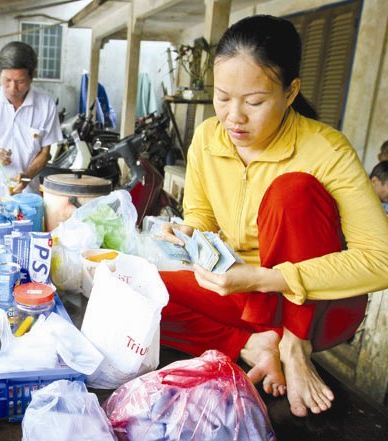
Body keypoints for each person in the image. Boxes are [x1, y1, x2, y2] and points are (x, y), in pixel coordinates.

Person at [159, 15, 388, 418]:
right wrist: (190, 232)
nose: (234, 117)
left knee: (291, 192)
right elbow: (200, 213)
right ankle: (254, 345)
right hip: (245, 296)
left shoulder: (326, 149)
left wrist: (266, 278)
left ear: (290, 92)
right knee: (138, 293)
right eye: (223, 98)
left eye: (254, 102)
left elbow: (380, 260)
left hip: (316, 311)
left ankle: (294, 346)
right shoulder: (208, 137)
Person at [0, 41, 62, 198]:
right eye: (7, 80)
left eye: (20, 82)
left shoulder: (46, 105)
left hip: (27, 197)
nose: (13, 88)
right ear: (0, 74)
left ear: (32, 76)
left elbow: (45, 153)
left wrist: (27, 176)